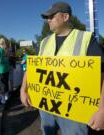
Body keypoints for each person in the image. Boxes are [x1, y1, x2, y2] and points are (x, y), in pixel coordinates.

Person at [20, 1, 104, 135]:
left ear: (65, 17)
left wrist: (102, 109)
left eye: (52, 16)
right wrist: (23, 89)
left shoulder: (86, 39)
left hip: (74, 113)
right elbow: (32, 68)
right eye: (47, 17)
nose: (48, 20)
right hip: (45, 107)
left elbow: (102, 75)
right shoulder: (44, 42)